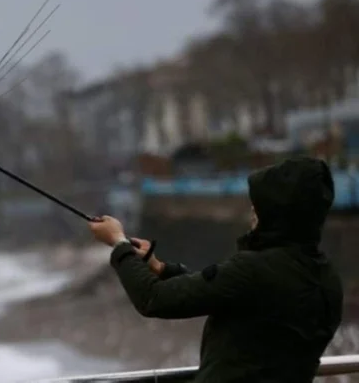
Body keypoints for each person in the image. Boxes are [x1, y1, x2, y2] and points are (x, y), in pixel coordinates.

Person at [89, 156, 343, 382]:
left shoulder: (253, 270)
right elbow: (230, 294)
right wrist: (159, 267)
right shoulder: (326, 278)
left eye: (261, 204)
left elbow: (154, 298)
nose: (253, 210)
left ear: (280, 213)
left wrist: (119, 243)